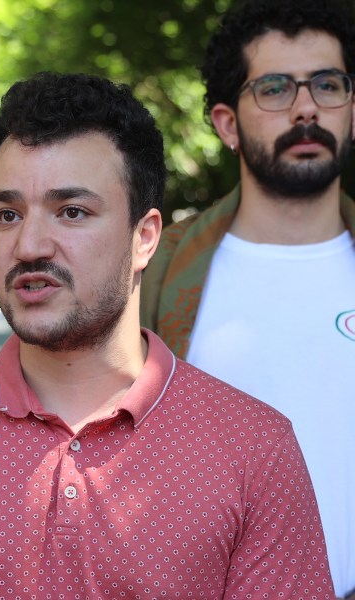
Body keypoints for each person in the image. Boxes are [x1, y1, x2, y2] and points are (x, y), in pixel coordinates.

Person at [0, 71, 334, 600]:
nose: (29, 245)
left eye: (72, 212)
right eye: (7, 214)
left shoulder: (255, 448)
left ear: (144, 238)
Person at [139, 1, 355, 596]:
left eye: (328, 85)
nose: (306, 108)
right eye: (275, 88)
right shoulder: (153, 273)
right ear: (228, 124)